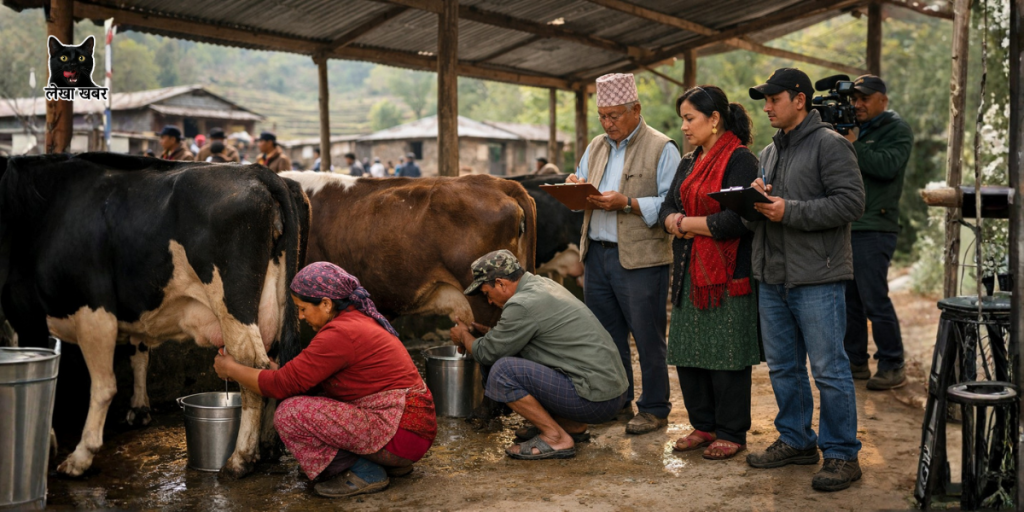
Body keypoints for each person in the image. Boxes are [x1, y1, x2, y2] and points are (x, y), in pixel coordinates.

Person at [213, 262, 437, 498]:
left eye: (302, 308)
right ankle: (392, 464)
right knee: (309, 397)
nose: (299, 316)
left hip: (401, 436)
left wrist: (232, 369)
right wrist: (266, 366)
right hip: (410, 433)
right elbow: (299, 377)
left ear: (327, 304)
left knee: (290, 414)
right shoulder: (354, 320)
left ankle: (364, 471)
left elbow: (281, 385)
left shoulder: (339, 334)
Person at [744, 68, 865, 491]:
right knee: (783, 367)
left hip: (818, 276)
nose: (767, 106)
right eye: (765, 100)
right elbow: (773, 205)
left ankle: (842, 454)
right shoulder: (769, 152)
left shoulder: (830, 145)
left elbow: (851, 203)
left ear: (800, 99)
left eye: (774, 99)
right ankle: (796, 440)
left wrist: (788, 210)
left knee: (830, 369)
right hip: (773, 274)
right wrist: (756, 199)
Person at [565, 72, 680, 435]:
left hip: (641, 258)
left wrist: (627, 203)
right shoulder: (597, 145)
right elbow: (582, 179)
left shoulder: (662, 147)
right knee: (607, 336)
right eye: (602, 115)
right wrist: (573, 185)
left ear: (636, 109)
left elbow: (672, 204)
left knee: (647, 336)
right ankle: (619, 400)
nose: (607, 123)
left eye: (614, 115)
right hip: (597, 255)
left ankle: (656, 407)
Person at [657, 85, 760, 461]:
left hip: (727, 274)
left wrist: (683, 222)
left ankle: (731, 431)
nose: (684, 127)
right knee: (688, 353)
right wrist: (675, 218)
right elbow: (669, 203)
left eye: (690, 119)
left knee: (727, 355)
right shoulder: (688, 162)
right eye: (683, 119)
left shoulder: (741, 159)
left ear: (714, 120)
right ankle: (703, 425)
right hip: (689, 271)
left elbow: (739, 219)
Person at [448, 250, 629, 460]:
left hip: (596, 400)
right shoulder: (542, 285)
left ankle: (555, 437)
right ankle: (572, 424)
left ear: (500, 283)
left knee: (503, 371)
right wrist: (492, 335)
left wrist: (463, 335)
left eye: (487, 293)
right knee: (511, 357)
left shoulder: (522, 304)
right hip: (610, 393)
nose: (488, 301)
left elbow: (486, 353)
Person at [842, 75, 913, 390]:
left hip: (876, 226)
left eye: (865, 98)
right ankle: (855, 362)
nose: (858, 104)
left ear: (883, 99)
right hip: (850, 225)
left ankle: (893, 364)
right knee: (850, 300)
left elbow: (886, 167)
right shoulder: (857, 128)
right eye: (855, 99)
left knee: (874, 299)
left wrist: (853, 145)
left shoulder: (897, 130)